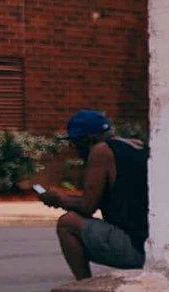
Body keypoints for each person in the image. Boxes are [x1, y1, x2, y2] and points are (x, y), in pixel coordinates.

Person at [35, 109, 149, 280]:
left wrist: (59, 200)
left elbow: (87, 207)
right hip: (150, 243)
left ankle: (83, 285)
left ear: (86, 140)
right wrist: (65, 198)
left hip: (135, 247)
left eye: (74, 144)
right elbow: (95, 198)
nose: (74, 150)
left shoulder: (101, 151)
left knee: (67, 224)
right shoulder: (137, 145)